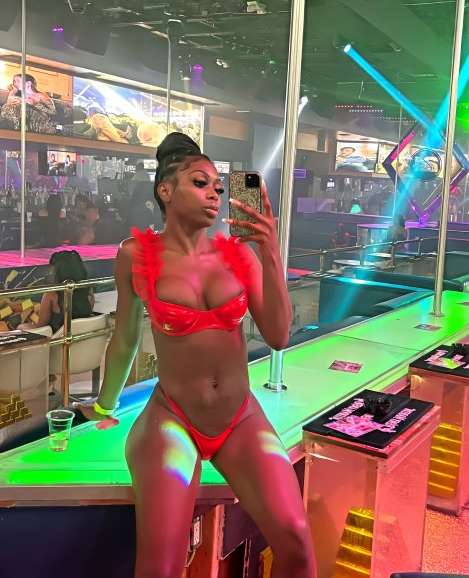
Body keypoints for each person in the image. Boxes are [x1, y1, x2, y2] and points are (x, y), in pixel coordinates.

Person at [75, 132, 316, 578]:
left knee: (298, 541)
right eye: (200, 183)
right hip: (173, 419)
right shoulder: (135, 255)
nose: (214, 194)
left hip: (239, 417)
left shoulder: (238, 255)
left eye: (219, 188)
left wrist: (270, 252)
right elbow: (125, 339)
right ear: (165, 190)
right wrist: (103, 406)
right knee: (160, 567)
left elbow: (279, 336)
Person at [20, 250, 94, 332]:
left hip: (57, 338)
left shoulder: (51, 294)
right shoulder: (88, 291)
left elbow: (41, 328)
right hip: (81, 335)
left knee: (21, 327)